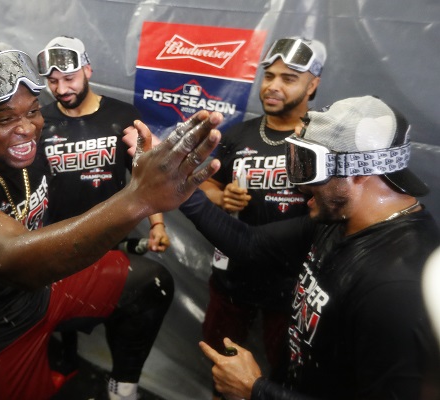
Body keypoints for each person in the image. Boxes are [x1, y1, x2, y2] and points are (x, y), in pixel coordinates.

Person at [0, 47, 222, 400]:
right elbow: (14, 258)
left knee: (151, 284)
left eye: (32, 112)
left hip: (45, 289)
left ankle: (122, 391)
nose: (26, 129)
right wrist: (139, 197)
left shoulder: (27, 143)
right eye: (3, 119)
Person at [158, 95, 440, 399]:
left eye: (308, 166)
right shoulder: (341, 220)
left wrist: (256, 391)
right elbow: (250, 244)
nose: (300, 184)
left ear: (358, 172)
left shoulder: (397, 286)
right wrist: (177, 186)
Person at [36, 35, 172, 383]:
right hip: (57, 242)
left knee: (123, 310)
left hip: (113, 239)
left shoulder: (122, 115)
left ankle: (121, 380)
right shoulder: (40, 120)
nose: (61, 88)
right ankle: (65, 363)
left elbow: (146, 174)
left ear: (88, 69)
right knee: (54, 316)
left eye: (69, 78)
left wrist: (157, 224)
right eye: (53, 81)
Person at [197, 37, 326, 395]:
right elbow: (205, 182)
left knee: (289, 373)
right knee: (222, 365)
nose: (272, 86)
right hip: (233, 277)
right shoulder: (239, 134)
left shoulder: (323, 139)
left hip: (294, 283)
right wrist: (221, 196)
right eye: (269, 76)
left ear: (312, 85)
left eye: (288, 78)